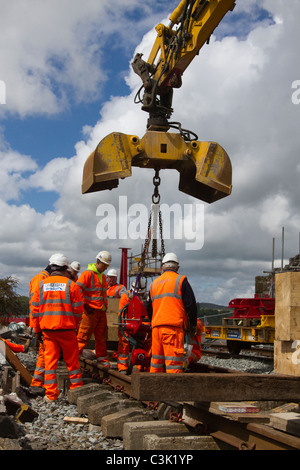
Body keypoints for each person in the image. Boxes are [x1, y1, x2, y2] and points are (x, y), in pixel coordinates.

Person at [31, 253, 84, 402]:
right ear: (65, 268)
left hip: (48, 331)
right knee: (72, 363)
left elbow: (34, 310)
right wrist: (76, 326)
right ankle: (76, 391)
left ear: (51, 266)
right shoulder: (71, 286)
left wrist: (37, 330)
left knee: (50, 363)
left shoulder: (42, 285)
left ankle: (51, 395)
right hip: (67, 330)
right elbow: (78, 311)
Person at [146, 252, 197, 373]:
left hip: (156, 329)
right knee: (173, 364)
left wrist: (153, 321)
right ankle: (173, 390)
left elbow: (148, 306)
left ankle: (153, 387)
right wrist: (193, 324)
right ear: (177, 267)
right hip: (172, 329)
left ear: (162, 267)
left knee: (156, 362)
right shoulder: (181, 280)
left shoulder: (153, 284)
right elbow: (191, 305)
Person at [76, 250, 112, 368]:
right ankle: (74, 358)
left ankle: (102, 360)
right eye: (104, 265)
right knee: (83, 336)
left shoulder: (102, 276)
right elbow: (77, 289)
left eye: (107, 266)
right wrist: (85, 304)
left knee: (101, 337)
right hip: (90, 311)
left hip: (100, 311)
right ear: (98, 262)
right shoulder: (88, 274)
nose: (106, 268)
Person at [28, 262, 52, 395]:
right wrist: (38, 327)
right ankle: (37, 384)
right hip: (39, 321)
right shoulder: (41, 279)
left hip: (39, 320)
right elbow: (38, 304)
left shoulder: (41, 278)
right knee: (43, 353)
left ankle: (39, 383)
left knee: (44, 353)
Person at [117, 278, 146, 374]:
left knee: (144, 341)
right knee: (124, 341)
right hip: (127, 323)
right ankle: (122, 366)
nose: (138, 296)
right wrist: (126, 325)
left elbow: (146, 315)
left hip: (139, 323)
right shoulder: (125, 297)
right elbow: (121, 315)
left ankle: (140, 365)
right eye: (137, 294)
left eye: (140, 294)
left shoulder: (145, 298)